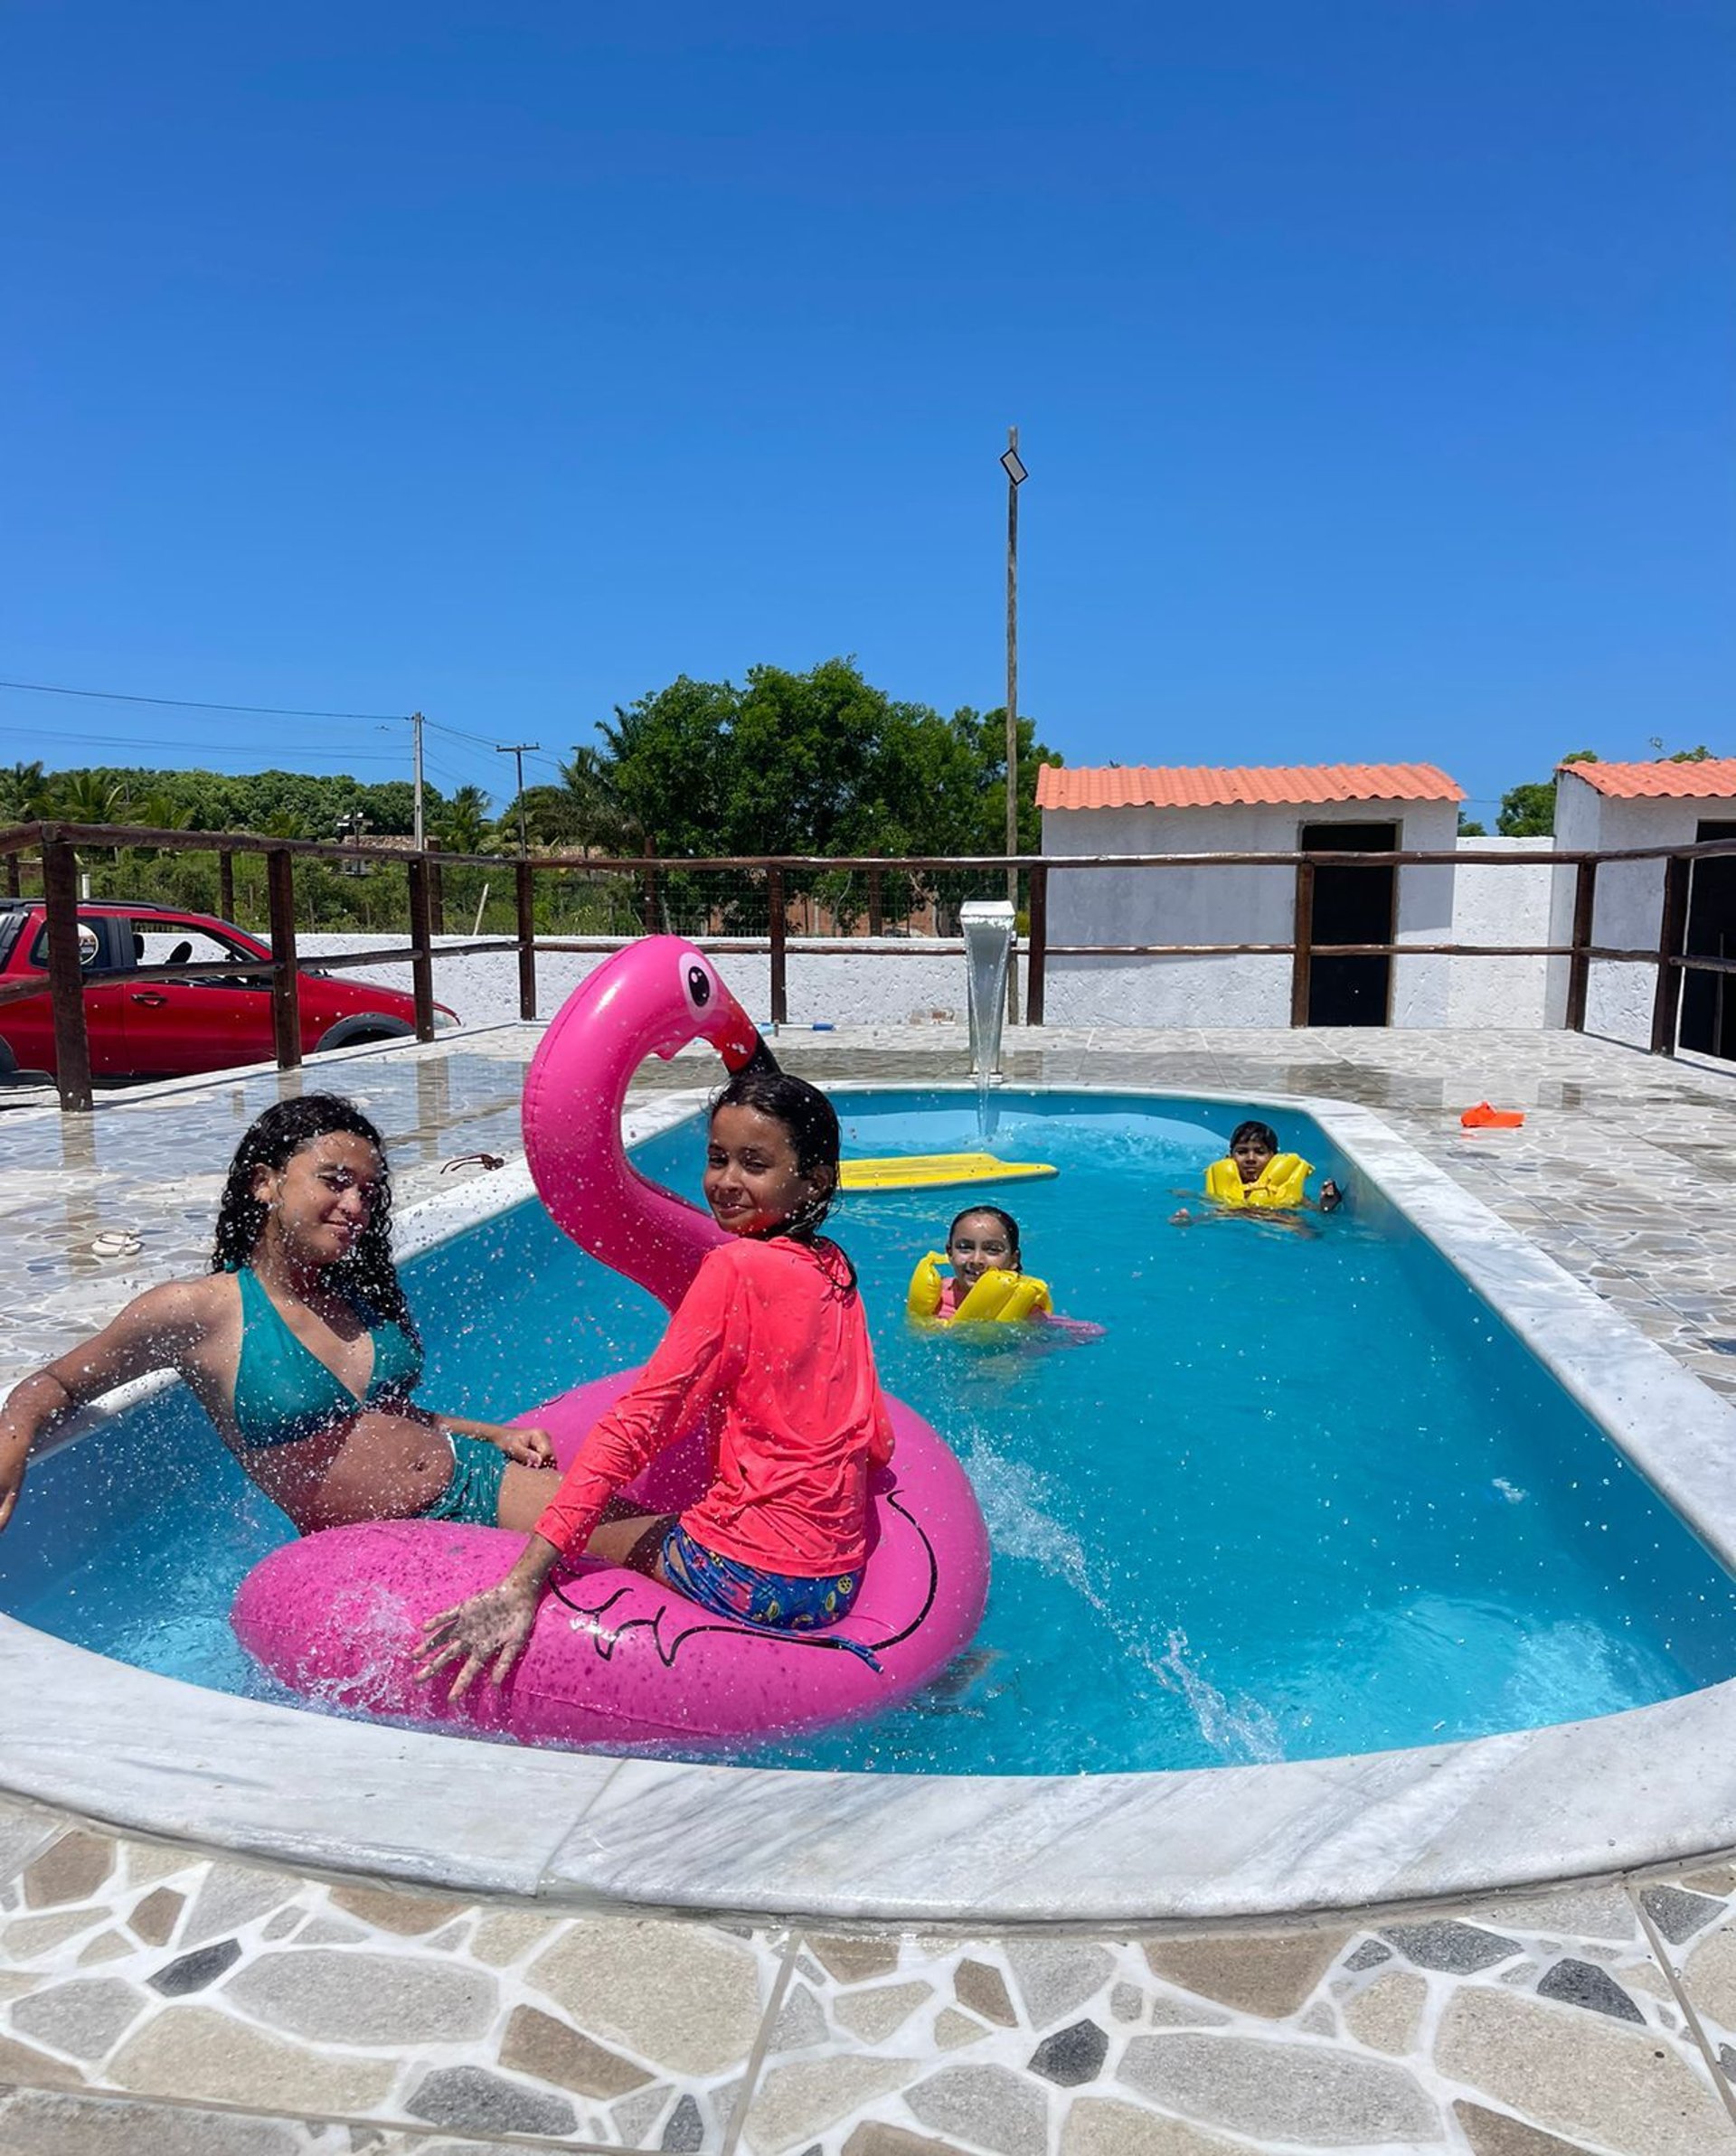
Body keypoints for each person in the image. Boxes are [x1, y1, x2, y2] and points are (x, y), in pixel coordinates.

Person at [416, 1069, 895, 1699]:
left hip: (745, 1573)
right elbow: (876, 1437)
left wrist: (524, 1582)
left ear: (813, 1179)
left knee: (542, 1500)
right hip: (831, 1581)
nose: (726, 1181)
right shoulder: (835, 1268)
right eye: (718, 1158)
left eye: (755, 1163)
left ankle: (458, 1508)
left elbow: (636, 1423)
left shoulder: (734, 1266)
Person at [0, 1095, 556, 1539]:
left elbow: (383, 1417)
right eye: (335, 1181)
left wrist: (491, 1433)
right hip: (367, 1551)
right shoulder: (201, 1311)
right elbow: (57, 1382)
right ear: (264, 1183)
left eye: (369, 1190)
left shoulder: (355, 1296)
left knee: (644, 1549)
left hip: (474, 1483)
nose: (357, 1207)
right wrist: (13, 1434)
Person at [1170, 1120, 1342, 1227]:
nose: (1250, 1159)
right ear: (1230, 1157)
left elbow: (1317, 1218)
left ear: (1274, 1157)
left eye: (1260, 1152)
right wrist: (1189, 1221)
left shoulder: (1285, 1189)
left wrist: (1327, 1206)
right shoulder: (1222, 1187)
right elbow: (1211, 1213)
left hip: (1277, 1231)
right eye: (1242, 1152)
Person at [934, 1205, 1026, 1319]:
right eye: (965, 1247)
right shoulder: (934, 1297)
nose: (976, 1260)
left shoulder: (1025, 1307)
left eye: (993, 1250)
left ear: (1013, 1259)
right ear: (950, 1252)